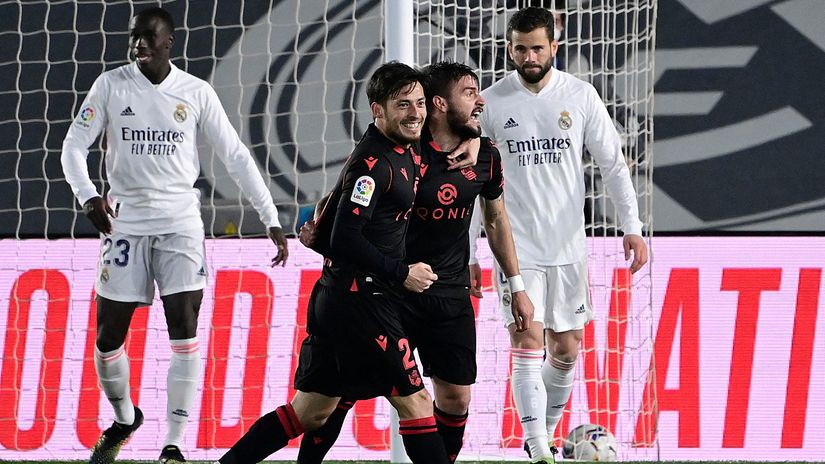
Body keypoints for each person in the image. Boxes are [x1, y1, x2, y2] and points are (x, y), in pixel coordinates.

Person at [60, 7, 288, 464]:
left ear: (169, 43)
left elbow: (236, 156)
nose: (138, 44)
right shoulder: (110, 85)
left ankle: (174, 444)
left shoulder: (195, 93)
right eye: (134, 37)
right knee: (108, 338)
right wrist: (87, 196)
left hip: (181, 224)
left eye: (148, 37)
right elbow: (73, 145)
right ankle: (126, 419)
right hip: (124, 223)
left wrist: (270, 216)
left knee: (184, 329)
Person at [295, 61, 535, 464]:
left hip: (449, 292)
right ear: (440, 103)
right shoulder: (404, 144)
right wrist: (318, 220)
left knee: (455, 397)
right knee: (345, 390)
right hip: (391, 290)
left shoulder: (484, 155)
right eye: (469, 92)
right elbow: (349, 186)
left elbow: (496, 219)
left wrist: (516, 286)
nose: (480, 101)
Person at [216, 61, 455, 464]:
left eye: (419, 103)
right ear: (377, 110)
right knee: (416, 404)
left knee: (310, 411)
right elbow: (347, 237)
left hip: (343, 300)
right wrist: (403, 273)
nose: (415, 114)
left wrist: (318, 227)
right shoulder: (373, 166)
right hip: (362, 302)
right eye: (403, 105)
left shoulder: (402, 148)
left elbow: (336, 220)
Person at [472, 7, 649, 464]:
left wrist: (631, 227)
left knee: (566, 349)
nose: (528, 56)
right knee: (527, 338)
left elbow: (612, 164)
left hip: (568, 245)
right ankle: (537, 451)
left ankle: (544, 438)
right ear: (508, 48)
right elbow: (475, 183)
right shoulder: (490, 103)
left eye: (536, 47)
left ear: (554, 45)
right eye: (519, 48)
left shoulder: (580, 95)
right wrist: (472, 249)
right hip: (515, 248)